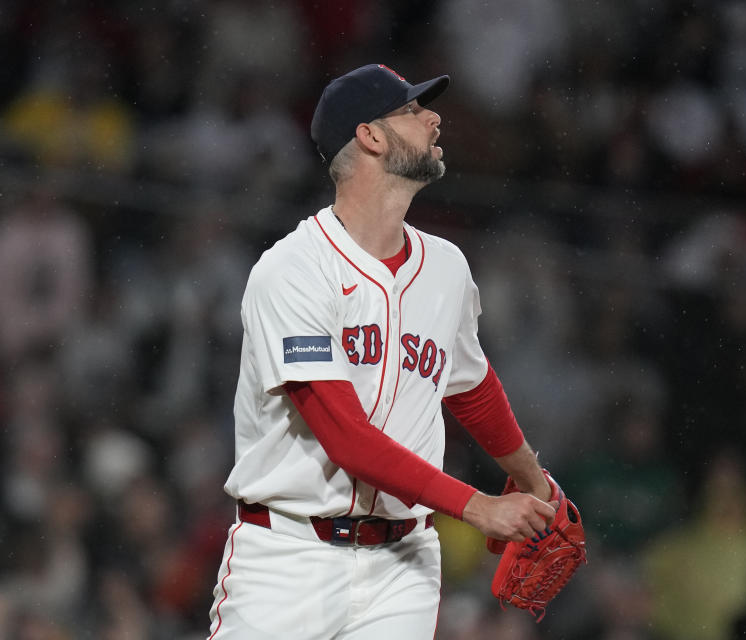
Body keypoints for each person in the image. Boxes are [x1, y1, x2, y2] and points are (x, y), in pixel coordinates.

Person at [206, 63, 558, 639]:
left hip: (405, 565)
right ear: (369, 135)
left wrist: (533, 479)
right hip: (287, 557)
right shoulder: (293, 270)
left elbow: (470, 385)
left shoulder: (446, 267)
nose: (433, 116)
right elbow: (346, 438)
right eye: (413, 110)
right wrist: (477, 506)